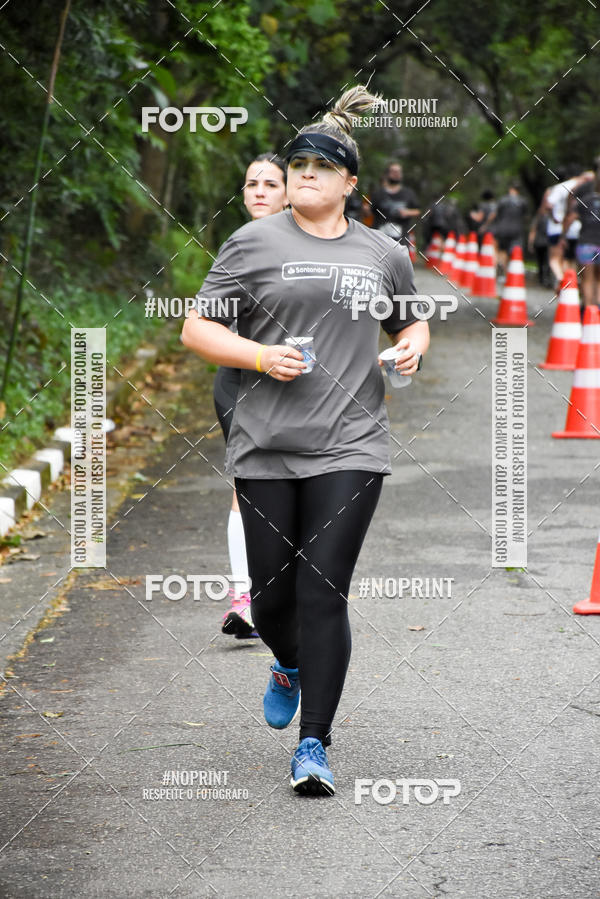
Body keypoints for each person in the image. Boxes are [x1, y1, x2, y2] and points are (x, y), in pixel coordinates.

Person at [182, 85, 430, 796]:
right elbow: (198, 329)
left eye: (321, 166)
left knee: (324, 588)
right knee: (271, 600)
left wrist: (412, 347)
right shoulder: (252, 242)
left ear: (350, 183)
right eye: (296, 166)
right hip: (265, 444)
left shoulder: (382, 252)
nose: (304, 175)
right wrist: (259, 357)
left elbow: (409, 321)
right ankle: (285, 660)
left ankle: (313, 742)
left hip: (351, 445)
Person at [214, 154, 288, 640]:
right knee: (246, 490)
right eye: (250, 184)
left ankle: (286, 591)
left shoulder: (315, 241)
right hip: (240, 384)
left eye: (270, 183)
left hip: (302, 385)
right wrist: (256, 353)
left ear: (289, 192)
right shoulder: (236, 247)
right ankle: (247, 598)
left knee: (300, 489)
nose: (258, 191)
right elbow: (208, 324)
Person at [542, 169, 594, 287]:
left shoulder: (560, 187)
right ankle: (572, 282)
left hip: (557, 228)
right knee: (572, 259)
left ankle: (562, 279)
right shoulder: (589, 190)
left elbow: (548, 205)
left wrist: (555, 218)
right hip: (579, 230)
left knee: (555, 259)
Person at [568, 167, 600, 308]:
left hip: (586, 244)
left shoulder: (584, 200)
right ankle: (597, 308)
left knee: (587, 279)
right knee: (599, 279)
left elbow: (570, 217)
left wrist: (563, 237)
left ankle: (588, 310)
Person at [369, 161, 420, 247]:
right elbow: (370, 213)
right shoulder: (378, 194)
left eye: (399, 172)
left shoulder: (408, 193)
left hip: (400, 240)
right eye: (393, 171)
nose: (396, 174)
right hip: (379, 239)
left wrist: (407, 212)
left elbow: (418, 211)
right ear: (387, 174)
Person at [486, 182, 527, 277]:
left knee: (503, 250)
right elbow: (525, 216)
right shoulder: (523, 201)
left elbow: (494, 214)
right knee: (515, 250)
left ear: (510, 189)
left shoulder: (503, 200)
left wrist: (486, 224)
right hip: (517, 229)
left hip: (503, 229)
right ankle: (511, 271)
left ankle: (503, 270)